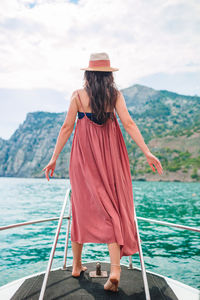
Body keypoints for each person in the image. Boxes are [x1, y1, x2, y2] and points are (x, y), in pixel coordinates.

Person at [42, 52, 163, 292]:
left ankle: (76, 266)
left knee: (81, 205)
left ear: (88, 73)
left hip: (84, 157)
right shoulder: (115, 95)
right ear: (109, 75)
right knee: (112, 206)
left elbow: (67, 127)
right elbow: (128, 123)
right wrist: (147, 152)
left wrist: (54, 158)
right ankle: (116, 269)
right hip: (110, 156)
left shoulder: (78, 96)